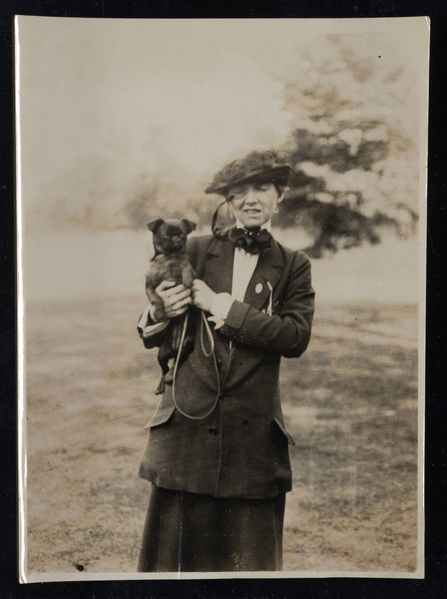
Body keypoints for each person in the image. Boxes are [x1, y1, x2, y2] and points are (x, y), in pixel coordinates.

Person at [136, 149, 315, 572]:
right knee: (173, 571)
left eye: (262, 189)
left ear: (280, 197)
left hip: (252, 446)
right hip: (185, 435)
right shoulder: (191, 248)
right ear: (228, 202)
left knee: (249, 572)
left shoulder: (294, 265)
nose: (250, 199)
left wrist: (221, 305)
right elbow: (152, 325)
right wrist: (159, 309)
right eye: (239, 193)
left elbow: (295, 336)